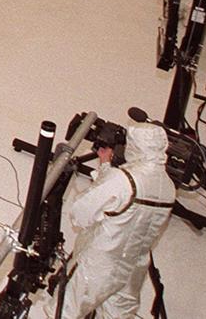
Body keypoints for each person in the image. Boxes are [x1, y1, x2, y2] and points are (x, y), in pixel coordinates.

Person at [45, 123, 175, 318]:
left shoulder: (124, 179)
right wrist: (106, 166)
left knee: (64, 311)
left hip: (100, 265)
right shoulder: (168, 187)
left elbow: (81, 213)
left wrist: (105, 172)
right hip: (133, 269)